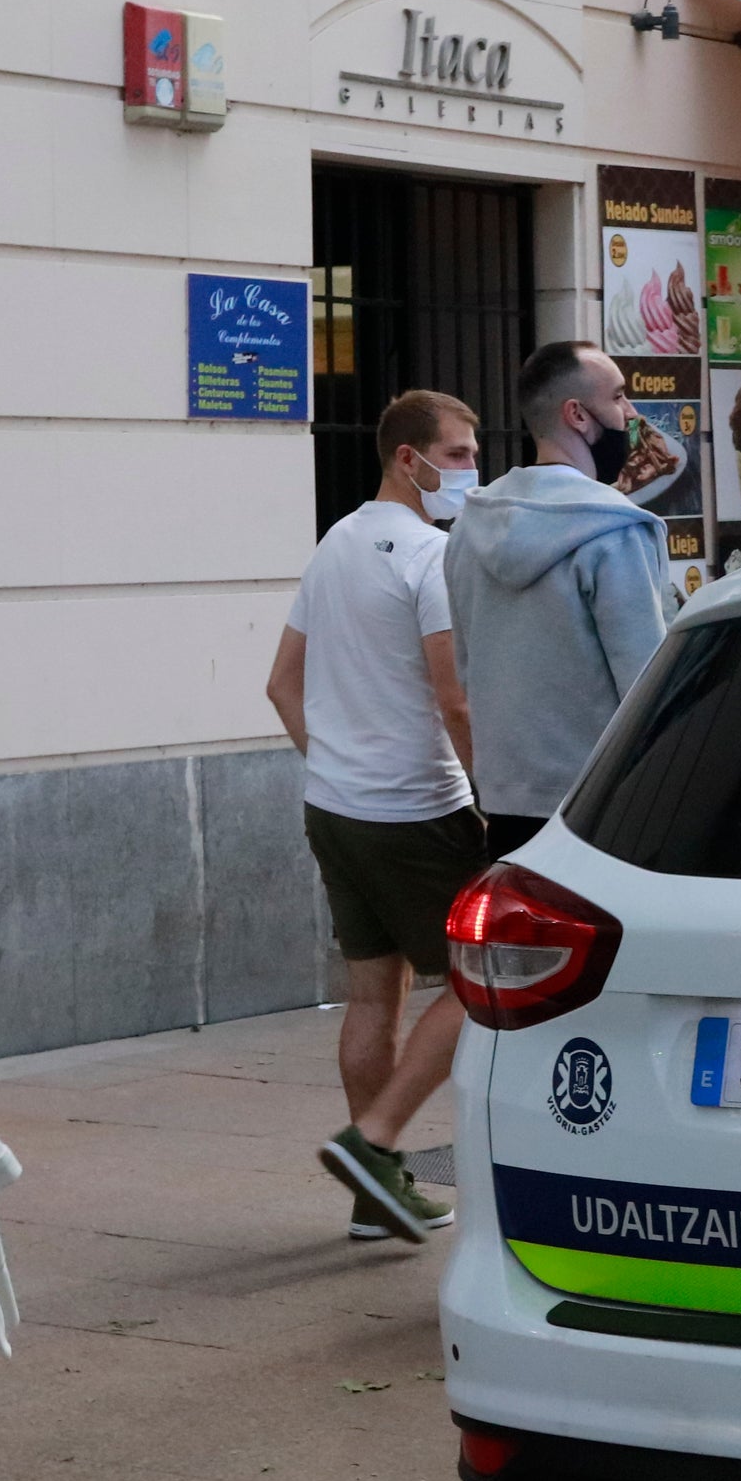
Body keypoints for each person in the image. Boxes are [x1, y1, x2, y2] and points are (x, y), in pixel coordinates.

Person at [272, 390, 489, 1244]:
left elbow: (280, 682)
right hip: (419, 807)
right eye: (462, 453)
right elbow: (456, 702)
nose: (474, 470)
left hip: (336, 807)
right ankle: (374, 1143)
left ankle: (376, 1195)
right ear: (412, 457)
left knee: (373, 991)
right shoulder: (433, 556)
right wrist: (495, 807)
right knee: (485, 977)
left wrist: (335, 765)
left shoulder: (334, 543)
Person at [450, 335, 678, 845]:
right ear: (578, 415)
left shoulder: (468, 528)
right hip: (600, 810)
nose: (631, 413)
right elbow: (645, 687)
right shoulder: (615, 530)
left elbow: (464, 672)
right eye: (618, 397)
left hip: (506, 807)